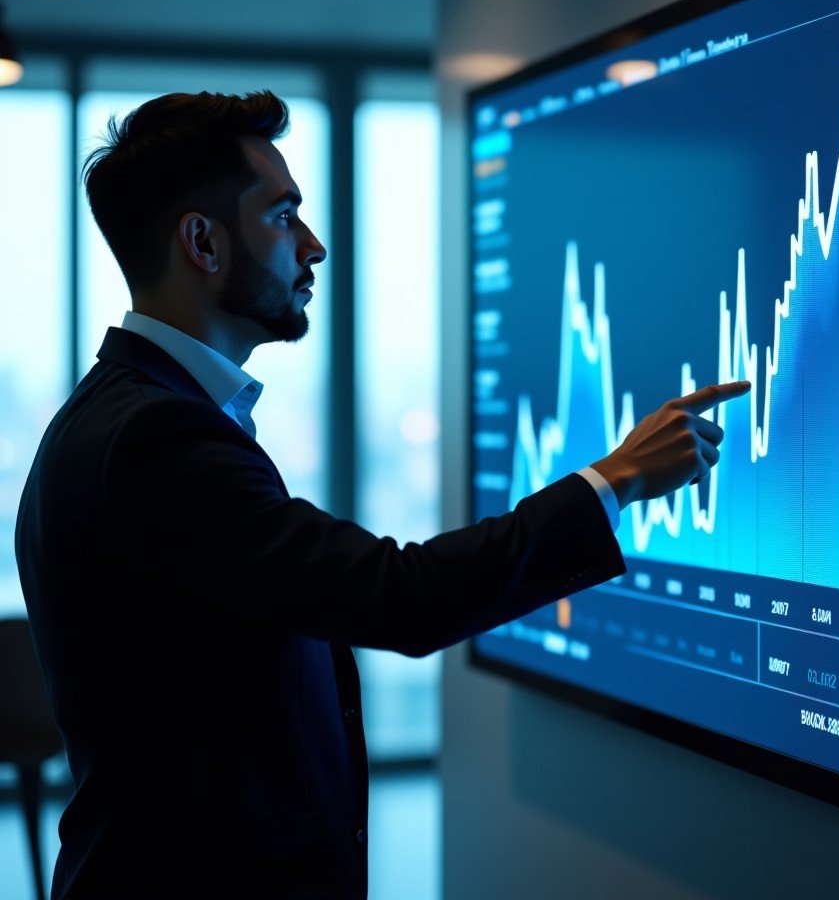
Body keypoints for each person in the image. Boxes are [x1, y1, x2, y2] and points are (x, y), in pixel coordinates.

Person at [15, 90, 749, 899]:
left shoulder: (125, 413)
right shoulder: (157, 438)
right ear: (203, 242)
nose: (314, 245)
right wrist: (617, 480)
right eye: (284, 216)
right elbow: (397, 596)